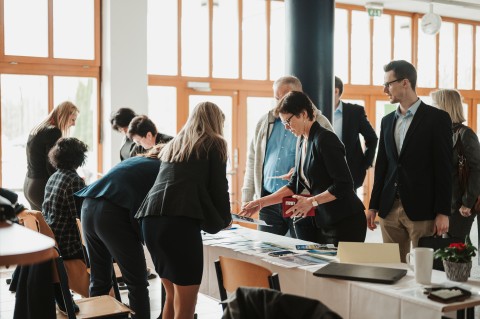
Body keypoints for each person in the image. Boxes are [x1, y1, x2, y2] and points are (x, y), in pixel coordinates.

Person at [136, 102, 232, 319]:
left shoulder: (175, 144)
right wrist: (224, 220)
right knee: (187, 305)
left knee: (172, 296)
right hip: (178, 224)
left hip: (150, 221)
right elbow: (219, 187)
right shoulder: (215, 143)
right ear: (217, 122)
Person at [240, 91, 366, 245]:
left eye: (288, 121)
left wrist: (311, 202)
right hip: (323, 219)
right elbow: (293, 185)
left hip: (344, 220)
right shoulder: (302, 140)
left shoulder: (325, 139)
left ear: (304, 114)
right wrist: (260, 203)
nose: (286, 127)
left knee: (334, 269)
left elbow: (344, 184)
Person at [367, 60, 452, 262]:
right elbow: (383, 166)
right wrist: (373, 205)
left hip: (423, 210)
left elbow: (444, 168)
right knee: (394, 268)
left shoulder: (437, 118)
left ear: (405, 82)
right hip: (389, 210)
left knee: (426, 271)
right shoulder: (387, 121)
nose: (384, 89)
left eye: (388, 84)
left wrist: (443, 212)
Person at [75, 146, 162, 319]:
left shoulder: (137, 161)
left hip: (88, 206)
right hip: (111, 215)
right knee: (137, 282)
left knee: (99, 280)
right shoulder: (163, 168)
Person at [241, 75, 333, 239]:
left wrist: (305, 170)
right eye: (276, 98)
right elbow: (252, 160)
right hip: (268, 200)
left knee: (303, 254)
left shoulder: (320, 122)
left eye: (284, 97)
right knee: (266, 253)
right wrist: (247, 197)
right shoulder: (265, 121)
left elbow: (329, 166)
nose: (279, 103)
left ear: (299, 95)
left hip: (300, 201)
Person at [42, 137, 88, 314]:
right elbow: (79, 216)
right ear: (78, 158)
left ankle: (61, 292)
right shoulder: (74, 180)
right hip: (68, 242)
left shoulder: (54, 177)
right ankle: (103, 294)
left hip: (53, 237)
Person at [431, 89, 480, 241]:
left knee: (455, 249)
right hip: (439, 203)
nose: (431, 108)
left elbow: (477, 169)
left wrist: (467, 202)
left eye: (434, 104)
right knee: (439, 250)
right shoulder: (438, 132)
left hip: (458, 205)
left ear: (445, 106)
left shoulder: (465, 134)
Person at [24, 101, 79, 211]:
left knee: (37, 226)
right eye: (72, 119)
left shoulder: (38, 129)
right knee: (52, 226)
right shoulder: (53, 131)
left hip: (29, 184)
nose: (74, 124)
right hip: (40, 187)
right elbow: (52, 164)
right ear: (62, 116)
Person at [334, 76, 378, 190]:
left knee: (348, 207)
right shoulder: (316, 112)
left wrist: (365, 164)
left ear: (336, 91)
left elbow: (372, 138)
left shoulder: (354, 112)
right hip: (322, 174)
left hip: (350, 174)